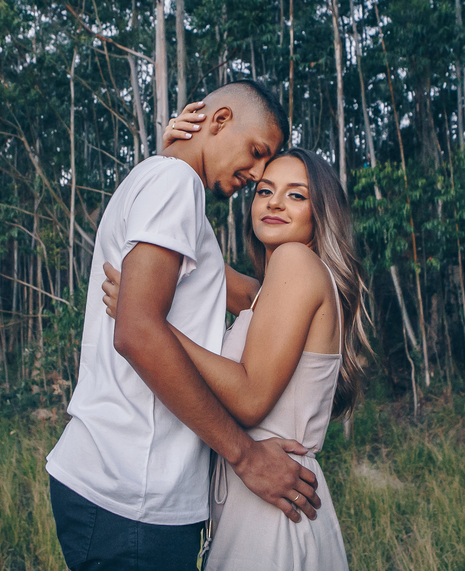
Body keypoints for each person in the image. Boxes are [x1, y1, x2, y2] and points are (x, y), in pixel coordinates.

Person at [45, 80, 322, 571]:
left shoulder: (166, 183)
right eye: (257, 152)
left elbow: (253, 296)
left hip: (132, 492)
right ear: (219, 121)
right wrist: (246, 456)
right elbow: (136, 332)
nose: (257, 174)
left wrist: (321, 290)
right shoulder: (173, 184)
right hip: (132, 492)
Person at [101, 106, 371, 570]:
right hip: (266, 492)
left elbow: (248, 398)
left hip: (272, 495)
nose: (274, 202)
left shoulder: (296, 263)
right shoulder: (273, 287)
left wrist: (149, 322)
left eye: (296, 195)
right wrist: (179, 159)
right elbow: (189, 248)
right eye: (265, 190)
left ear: (321, 212)